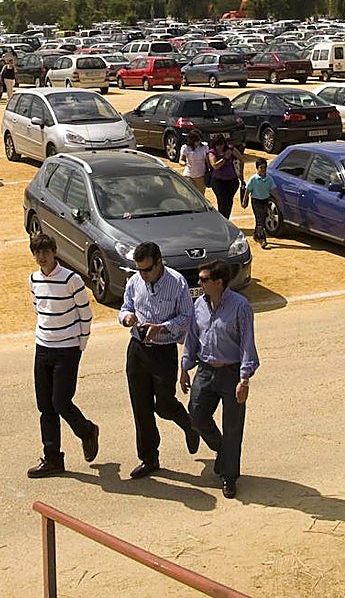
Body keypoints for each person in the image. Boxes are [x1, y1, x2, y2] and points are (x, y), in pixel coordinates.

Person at [118, 241, 201, 479]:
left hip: (163, 351)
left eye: (147, 269)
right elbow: (124, 308)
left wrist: (162, 328)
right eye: (139, 269)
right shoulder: (135, 281)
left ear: (159, 262)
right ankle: (149, 458)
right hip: (137, 350)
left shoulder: (176, 283)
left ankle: (188, 424)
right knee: (140, 406)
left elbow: (187, 316)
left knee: (163, 403)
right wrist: (127, 318)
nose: (142, 275)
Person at [180, 259, 259, 500]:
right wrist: (185, 367)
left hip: (231, 372)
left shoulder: (240, 306)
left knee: (233, 427)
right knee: (196, 415)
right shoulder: (199, 306)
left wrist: (244, 379)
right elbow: (192, 337)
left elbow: (247, 343)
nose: (199, 283)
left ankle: (229, 476)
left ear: (218, 282)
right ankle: (224, 452)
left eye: (204, 279)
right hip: (204, 369)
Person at [26, 232, 99, 478]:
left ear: (54, 252)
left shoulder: (72, 279)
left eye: (46, 251)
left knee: (61, 401)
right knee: (45, 406)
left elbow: (85, 314)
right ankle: (53, 458)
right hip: (43, 347)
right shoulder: (34, 280)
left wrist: (80, 344)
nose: (42, 256)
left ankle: (86, 431)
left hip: (67, 350)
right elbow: (39, 308)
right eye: (37, 252)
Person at [242, 157, 280, 249]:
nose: (263, 170)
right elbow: (248, 190)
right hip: (256, 201)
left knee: (262, 218)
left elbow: (273, 190)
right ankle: (262, 239)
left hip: (265, 200)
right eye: (261, 168)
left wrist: (278, 200)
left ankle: (256, 234)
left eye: (264, 168)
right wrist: (244, 200)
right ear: (257, 168)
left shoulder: (269, 179)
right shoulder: (253, 179)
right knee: (260, 219)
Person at [206, 134, 240, 219]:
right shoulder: (212, 152)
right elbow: (215, 166)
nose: (219, 147)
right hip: (218, 181)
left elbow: (241, 159)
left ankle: (226, 219)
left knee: (229, 201)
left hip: (232, 180)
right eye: (217, 145)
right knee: (222, 201)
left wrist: (241, 173)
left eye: (221, 144)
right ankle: (223, 220)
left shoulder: (230, 149)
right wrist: (225, 157)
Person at [179, 130, 210, 195]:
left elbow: (207, 160)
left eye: (199, 139)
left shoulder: (204, 147)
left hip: (201, 176)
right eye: (196, 140)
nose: (198, 141)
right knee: (189, 195)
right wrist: (185, 163)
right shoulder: (186, 148)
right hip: (189, 175)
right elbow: (181, 160)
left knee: (200, 195)